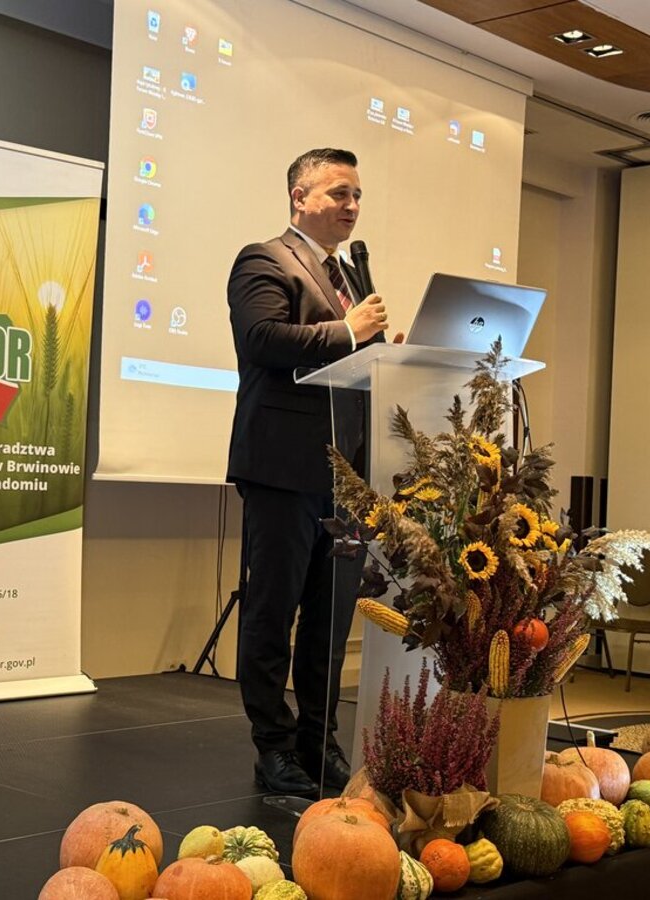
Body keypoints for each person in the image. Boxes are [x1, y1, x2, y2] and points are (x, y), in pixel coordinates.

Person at [226, 148, 401, 794]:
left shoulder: (348, 276)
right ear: (299, 197)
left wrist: (386, 359)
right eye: (338, 193)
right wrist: (348, 334)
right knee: (272, 614)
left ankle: (316, 741)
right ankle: (272, 747)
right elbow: (261, 340)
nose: (351, 206)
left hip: (345, 480)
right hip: (282, 469)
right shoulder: (263, 260)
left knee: (329, 624)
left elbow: (351, 364)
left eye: (357, 196)